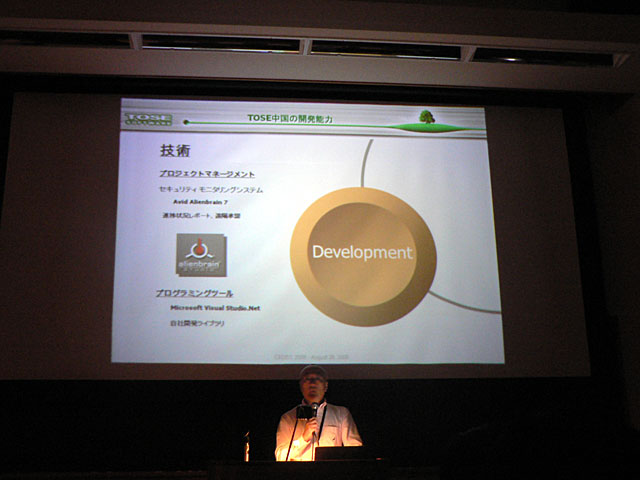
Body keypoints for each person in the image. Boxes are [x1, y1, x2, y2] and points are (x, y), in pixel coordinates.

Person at [275, 365, 363, 461]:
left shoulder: (341, 413)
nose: (312, 383)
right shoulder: (288, 418)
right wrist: (303, 439)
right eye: (307, 379)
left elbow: (356, 451)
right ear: (301, 386)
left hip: (331, 469)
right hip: (300, 470)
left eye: (318, 379)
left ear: (326, 386)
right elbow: (280, 456)